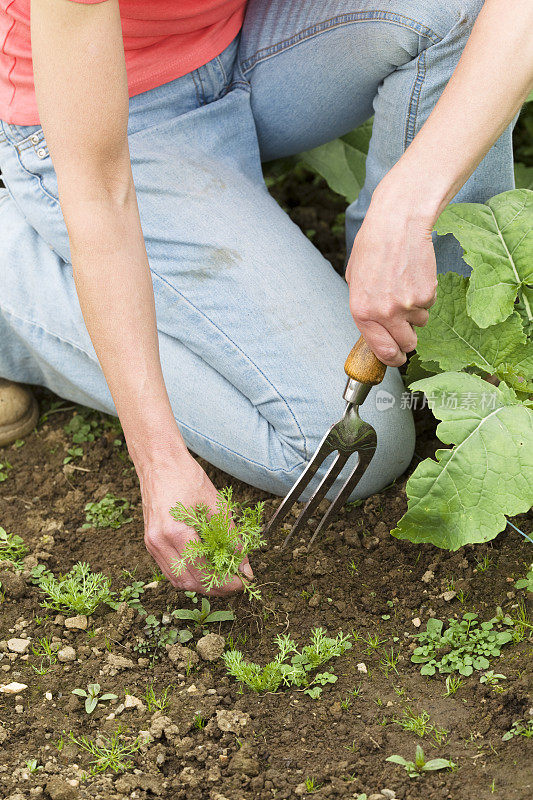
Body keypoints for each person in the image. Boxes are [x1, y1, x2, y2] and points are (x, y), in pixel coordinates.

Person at [0, 0, 531, 594]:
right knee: (360, 438)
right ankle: (14, 277)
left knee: (458, 13)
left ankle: (454, 352)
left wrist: (406, 208)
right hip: (108, 123)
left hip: (242, 45)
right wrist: (158, 456)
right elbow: (101, 190)